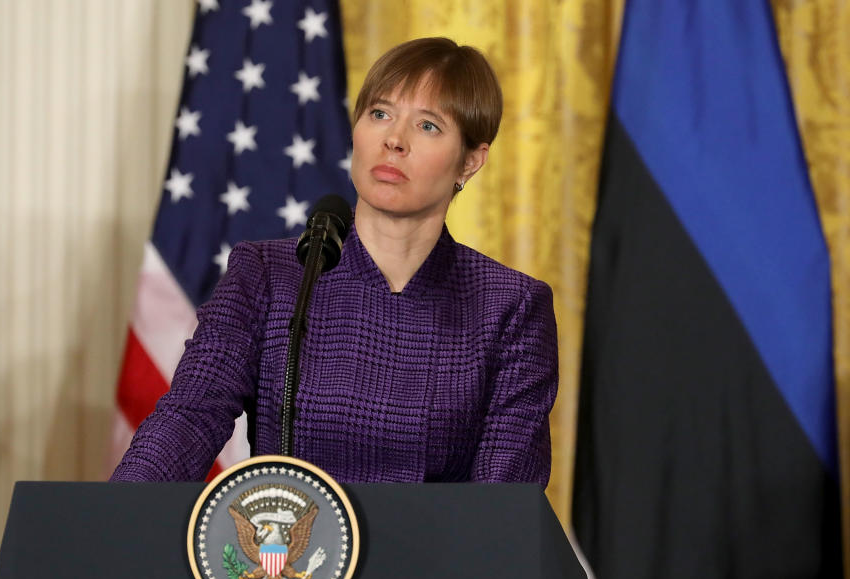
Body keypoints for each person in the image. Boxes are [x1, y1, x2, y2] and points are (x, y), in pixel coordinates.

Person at [111, 37, 558, 485]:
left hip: (436, 554)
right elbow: (188, 419)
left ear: (470, 162)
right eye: (379, 114)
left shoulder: (510, 306)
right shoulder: (269, 274)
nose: (393, 141)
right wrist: (112, 521)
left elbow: (505, 501)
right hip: (282, 553)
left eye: (428, 126)